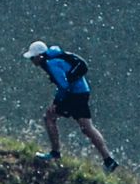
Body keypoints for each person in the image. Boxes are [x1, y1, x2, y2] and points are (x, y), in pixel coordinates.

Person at [25, 39, 120, 167]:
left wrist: (56, 102)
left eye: (33, 58)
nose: (32, 61)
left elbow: (64, 86)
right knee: (87, 128)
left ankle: (55, 153)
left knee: (49, 117)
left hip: (74, 94)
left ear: (40, 56)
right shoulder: (56, 58)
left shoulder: (51, 63)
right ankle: (108, 160)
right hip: (82, 92)